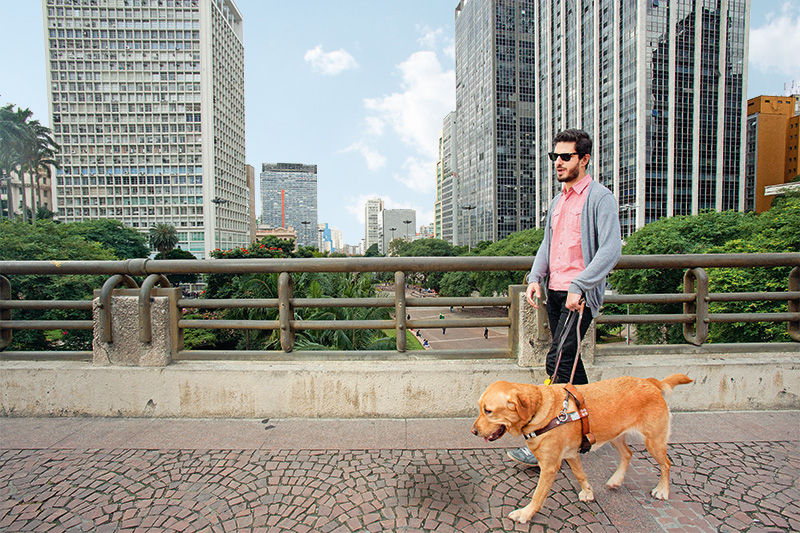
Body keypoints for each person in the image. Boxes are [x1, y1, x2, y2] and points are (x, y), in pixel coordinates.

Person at [506, 128, 622, 467]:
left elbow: (611, 250)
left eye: (565, 156)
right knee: (571, 365)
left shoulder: (599, 198)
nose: (558, 162)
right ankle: (594, 427)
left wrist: (581, 284)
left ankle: (543, 442)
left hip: (579, 297)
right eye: (554, 156)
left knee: (556, 363)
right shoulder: (558, 200)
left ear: (584, 159)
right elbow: (548, 243)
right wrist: (535, 276)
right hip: (555, 293)